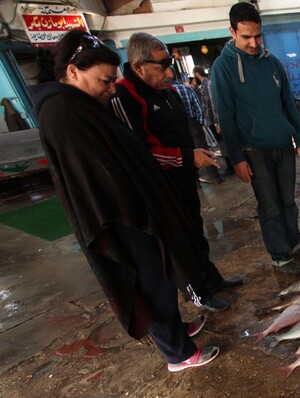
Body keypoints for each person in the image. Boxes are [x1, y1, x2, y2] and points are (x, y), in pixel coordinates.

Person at [32, 30, 219, 372]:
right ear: (72, 72)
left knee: (162, 274)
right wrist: (137, 206)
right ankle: (177, 354)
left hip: (135, 208)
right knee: (148, 282)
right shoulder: (61, 111)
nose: (111, 88)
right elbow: (97, 175)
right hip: (120, 216)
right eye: (103, 81)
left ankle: (176, 331)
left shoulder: (81, 103)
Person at [110, 32, 242, 311]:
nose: (169, 73)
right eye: (161, 66)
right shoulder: (125, 95)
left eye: (169, 64)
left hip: (184, 178)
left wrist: (193, 156)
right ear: (138, 66)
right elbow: (139, 153)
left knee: (195, 231)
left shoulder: (168, 92)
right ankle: (198, 294)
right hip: (158, 186)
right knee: (177, 241)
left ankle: (212, 281)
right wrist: (186, 157)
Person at [212, 2, 300, 276]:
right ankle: (280, 256)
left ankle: (295, 245)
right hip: (253, 149)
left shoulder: (272, 63)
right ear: (232, 32)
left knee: (288, 201)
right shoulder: (223, 68)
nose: (254, 42)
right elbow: (226, 116)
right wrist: (237, 158)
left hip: (282, 146)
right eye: (246, 37)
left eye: (258, 36)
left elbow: (288, 104)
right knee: (269, 205)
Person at [171, 76, 223, 184]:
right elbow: (198, 107)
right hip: (193, 122)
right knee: (203, 150)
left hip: (178, 127)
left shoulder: (166, 92)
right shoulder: (186, 88)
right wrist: (199, 123)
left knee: (187, 153)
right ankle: (215, 177)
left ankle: (196, 181)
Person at [193, 66, 233, 173]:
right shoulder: (203, 86)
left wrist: (216, 122)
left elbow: (213, 104)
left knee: (223, 143)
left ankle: (231, 166)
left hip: (215, 121)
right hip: (211, 120)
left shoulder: (208, 85)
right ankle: (230, 165)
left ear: (197, 74)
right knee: (221, 143)